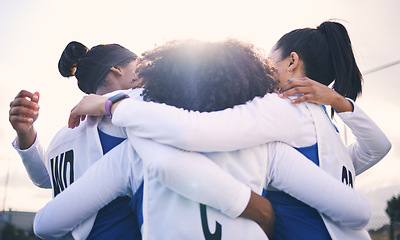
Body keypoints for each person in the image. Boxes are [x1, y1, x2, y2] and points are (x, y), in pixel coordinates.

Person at [67, 22, 391, 239]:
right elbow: (378, 147)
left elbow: (194, 132)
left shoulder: (282, 107)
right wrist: (342, 103)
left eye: (271, 62)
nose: (265, 70)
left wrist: (113, 104)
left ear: (292, 62)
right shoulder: (325, 120)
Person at [9, 41, 143, 239]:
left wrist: (26, 132)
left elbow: (45, 179)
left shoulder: (63, 136)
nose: (149, 71)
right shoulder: (138, 103)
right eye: (140, 64)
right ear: (116, 68)